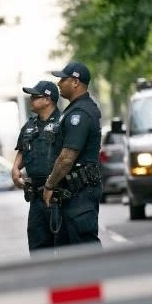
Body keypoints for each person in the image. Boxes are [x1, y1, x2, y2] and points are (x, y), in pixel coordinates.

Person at [42, 61, 104, 247]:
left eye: (63, 79)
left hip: (80, 193)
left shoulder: (80, 113)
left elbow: (67, 157)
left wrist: (49, 185)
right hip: (71, 194)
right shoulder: (72, 111)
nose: (59, 84)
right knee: (68, 253)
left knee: (85, 250)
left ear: (75, 82)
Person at [14, 80, 65, 251]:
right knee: (38, 249)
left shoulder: (63, 123)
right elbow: (22, 149)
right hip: (36, 198)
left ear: (47, 100)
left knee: (63, 248)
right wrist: (15, 169)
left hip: (59, 196)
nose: (31, 99)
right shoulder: (29, 126)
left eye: (35, 96)